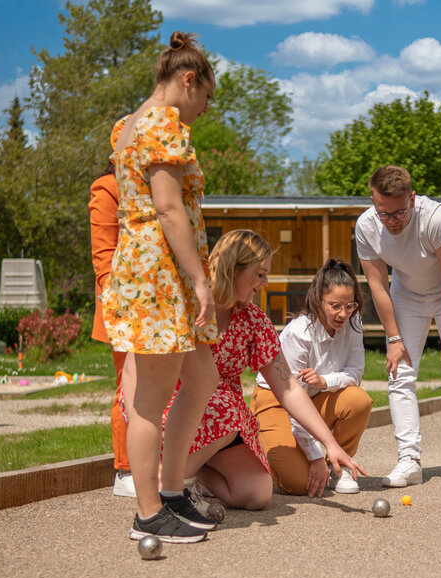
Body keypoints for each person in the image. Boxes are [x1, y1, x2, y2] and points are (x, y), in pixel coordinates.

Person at [102, 31, 220, 543]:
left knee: (202, 381)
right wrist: (200, 279)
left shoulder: (129, 124)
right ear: (187, 80)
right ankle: (148, 513)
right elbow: (169, 208)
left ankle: (171, 492)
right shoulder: (162, 124)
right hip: (160, 273)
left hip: (151, 267)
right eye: (207, 96)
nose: (206, 109)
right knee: (150, 399)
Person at [172, 233, 367, 508]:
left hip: (221, 422)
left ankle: (197, 472)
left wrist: (330, 444)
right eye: (260, 274)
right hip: (180, 410)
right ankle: (172, 486)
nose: (265, 283)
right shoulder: (190, 305)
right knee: (227, 407)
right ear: (234, 268)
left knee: (257, 493)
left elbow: (287, 387)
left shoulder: (253, 319)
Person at [355, 165, 441, 489]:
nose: (392, 220)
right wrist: (394, 339)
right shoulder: (367, 226)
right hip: (405, 293)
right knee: (398, 372)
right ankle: (409, 461)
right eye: (384, 212)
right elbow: (378, 287)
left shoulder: (436, 218)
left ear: (412, 198)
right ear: (373, 199)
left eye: (400, 211)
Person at [251, 258, 373, 497]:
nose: (343, 314)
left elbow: (355, 373)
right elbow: (293, 396)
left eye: (350, 306)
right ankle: (261, 449)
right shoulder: (300, 332)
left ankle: (338, 465)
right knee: (298, 484)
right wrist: (315, 456)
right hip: (277, 400)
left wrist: (325, 381)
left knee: (358, 401)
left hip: (315, 396)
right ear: (319, 300)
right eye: (335, 305)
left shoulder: (353, 321)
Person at [88, 163, 133, 497]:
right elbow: (104, 258)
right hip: (125, 307)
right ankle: (125, 469)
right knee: (129, 386)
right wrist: (120, 309)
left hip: (161, 306)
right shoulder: (107, 188)